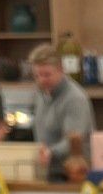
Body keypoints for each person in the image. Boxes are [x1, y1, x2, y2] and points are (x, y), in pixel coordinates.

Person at [27, 42, 94, 181]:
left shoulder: (75, 98)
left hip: (73, 175)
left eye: (47, 75)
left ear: (61, 70)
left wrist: (51, 152)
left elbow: (74, 139)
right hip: (48, 171)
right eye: (37, 75)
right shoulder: (40, 94)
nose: (41, 80)